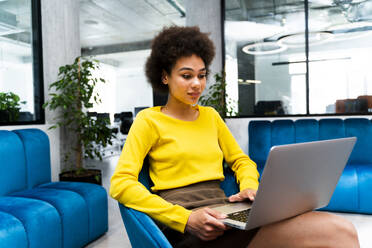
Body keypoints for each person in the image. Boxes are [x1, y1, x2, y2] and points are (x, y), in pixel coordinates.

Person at [110, 26, 359, 248]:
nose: (197, 84)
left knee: (333, 229)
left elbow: (241, 161)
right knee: (339, 232)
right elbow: (121, 183)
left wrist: (250, 186)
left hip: (225, 214)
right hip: (189, 227)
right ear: (165, 76)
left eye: (202, 74)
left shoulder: (210, 117)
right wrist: (185, 219)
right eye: (186, 75)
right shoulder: (148, 120)